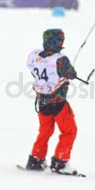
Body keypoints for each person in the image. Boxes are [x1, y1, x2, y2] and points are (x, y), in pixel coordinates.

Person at [25, 29, 79, 175]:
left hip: (42, 101)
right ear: (59, 42)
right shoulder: (60, 59)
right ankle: (60, 162)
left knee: (45, 131)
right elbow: (70, 74)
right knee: (69, 131)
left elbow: (35, 68)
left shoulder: (35, 55)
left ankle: (36, 159)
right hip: (58, 102)